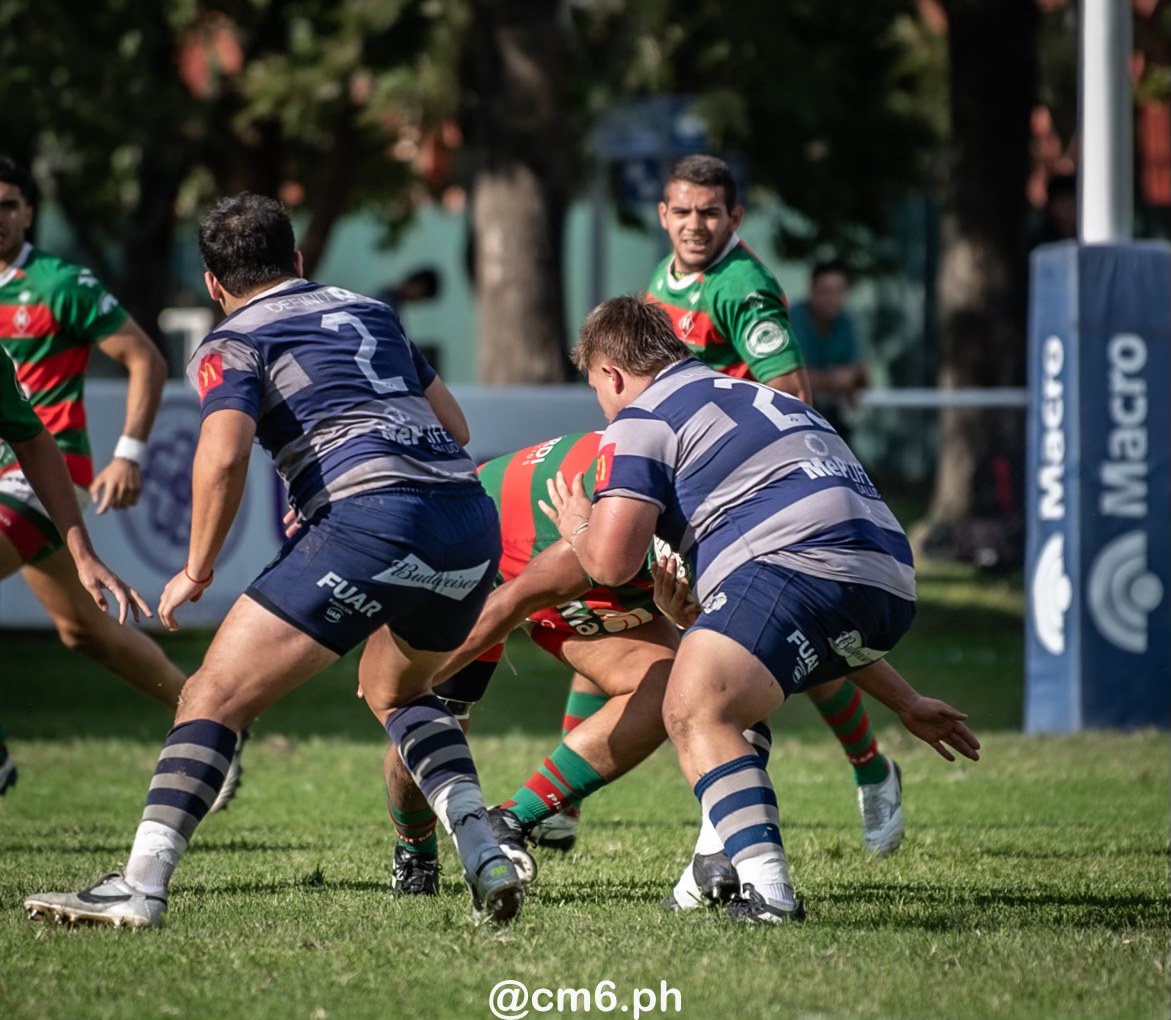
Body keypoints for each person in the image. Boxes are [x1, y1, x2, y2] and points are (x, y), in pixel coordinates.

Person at [23, 192, 523, 929]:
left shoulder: (231, 340)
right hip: (469, 522)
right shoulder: (370, 312)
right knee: (400, 692)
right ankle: (482, 852)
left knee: (211, 697)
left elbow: (221, 456)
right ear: (297, 260)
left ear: (213, 284)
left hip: (371, 519)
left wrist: (197, 569)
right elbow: (453, 425)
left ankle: (140, 887)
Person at [541, 296, 979, 923]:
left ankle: (768, 893)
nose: (603, 407)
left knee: (695, 704)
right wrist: (905, 702)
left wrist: (579, 524)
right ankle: (707, 871)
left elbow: (609, 565)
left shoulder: (642, 417)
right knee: (729, 694)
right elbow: (816, 597)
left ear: (611, 373)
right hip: (890, 579)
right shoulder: (760, 399)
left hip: (792, 562)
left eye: (597, 389)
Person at [647, 154, 902, 857]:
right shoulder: (664, 280)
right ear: (663, 213)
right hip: (689, 490)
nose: (695, 225)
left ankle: (859, 773)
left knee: (770, 649)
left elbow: (789, 394)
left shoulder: (742, 287)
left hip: (741, 498)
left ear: (734, 217)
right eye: (683, 210)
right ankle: (868, 766)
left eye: (709, 213)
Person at [0, 156, 244, 807]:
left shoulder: (58, 282)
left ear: (27, 211)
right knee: (85, 633)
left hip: (41, 478)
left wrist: (129, 451)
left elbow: (144, 357)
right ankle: (207, 725)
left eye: (8, 205)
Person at [789, 260, 870, 443]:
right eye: (826, 291)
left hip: (832, 419)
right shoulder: (795, 318)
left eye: (839, 292)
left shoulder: (846, 321)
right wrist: (836, 380)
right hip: (797, 421)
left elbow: (861, 375)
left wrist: (843, 379)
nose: (833, 299)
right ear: (812, 291)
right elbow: (791, 377)